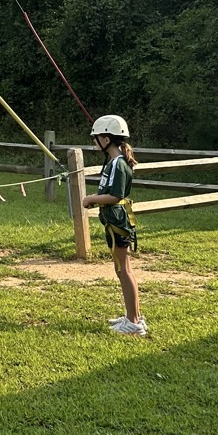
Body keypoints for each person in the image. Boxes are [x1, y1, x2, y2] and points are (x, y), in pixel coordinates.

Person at [81, 114, 146, 337]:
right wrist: (97, 201)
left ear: (106, 139)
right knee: (121, 269)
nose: (94, 141)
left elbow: (116, 196)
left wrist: (91, 198)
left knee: (123, 270)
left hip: (118, 221)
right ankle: (132, 315)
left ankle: (134, 322)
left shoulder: (118, 164)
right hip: (114, 220)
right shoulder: (114, 162)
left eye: (96, 137)